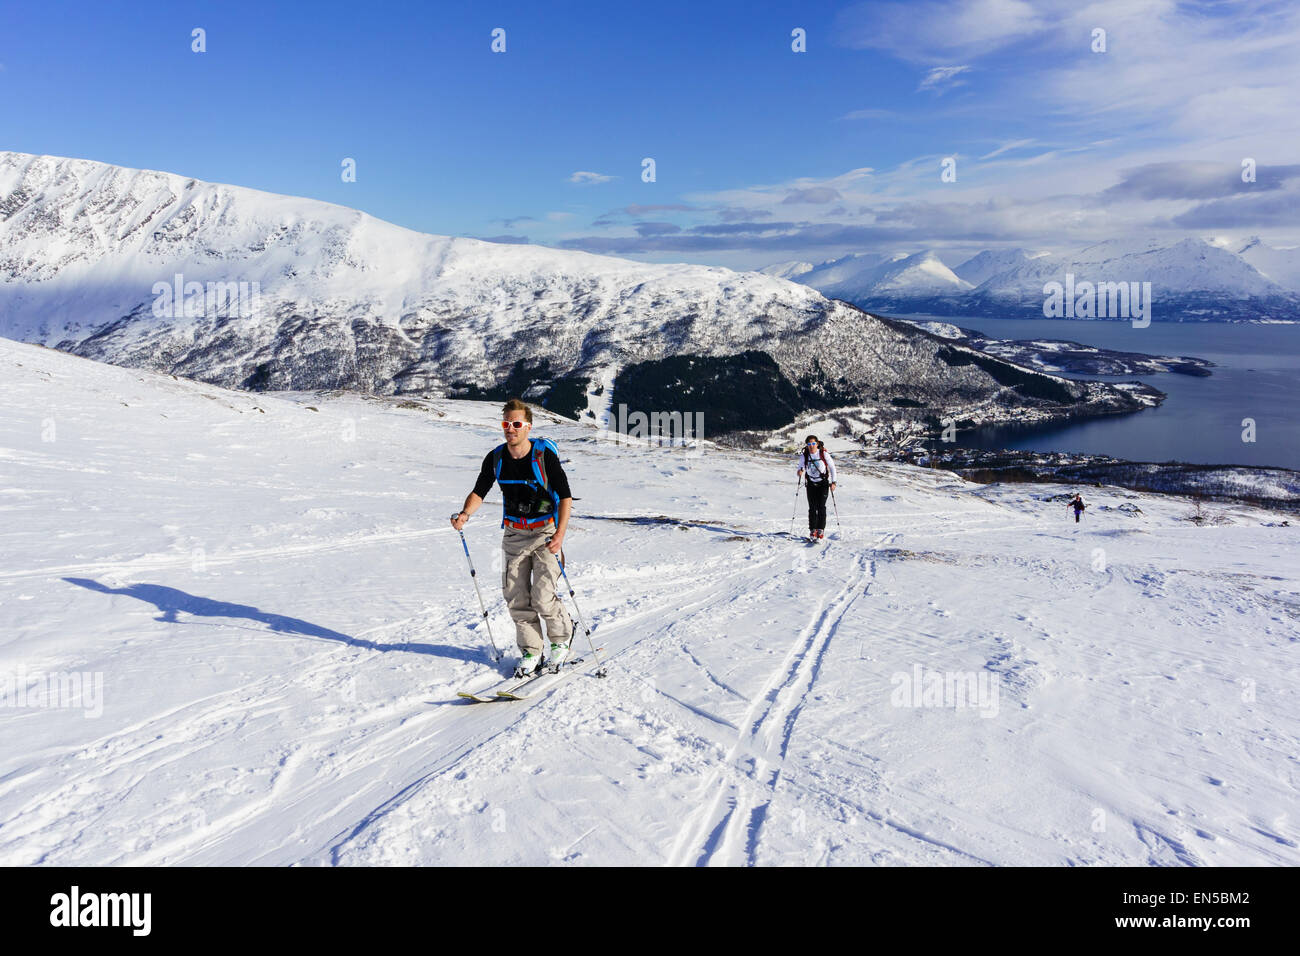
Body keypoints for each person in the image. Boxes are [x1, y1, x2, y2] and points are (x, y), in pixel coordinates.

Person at [451, 398, 574, 677]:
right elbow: (479, 491)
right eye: (506, 424)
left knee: (543, 596)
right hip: (514, 533)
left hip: (545, 532)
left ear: (528, 427)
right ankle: (531, 650)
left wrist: (560, 535)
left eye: (516, 424)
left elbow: (565, 497)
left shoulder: (544, 457)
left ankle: (561, 640)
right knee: (516, 596)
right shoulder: (496, 459)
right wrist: (464, 515)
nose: (511, 429)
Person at [795, 435, 837, 539]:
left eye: (813, 443)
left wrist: (834, 482)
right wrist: (800, 472)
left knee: (821, 506)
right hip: (810, 484)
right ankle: (813, 530)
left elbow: (832, 467)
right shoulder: (804, 456)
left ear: (817, 444)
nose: (811, 446)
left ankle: (820, 530)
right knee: (812, 507)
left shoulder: (823, 454)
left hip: (823, 483)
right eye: (809, 444)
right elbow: (800, 468)